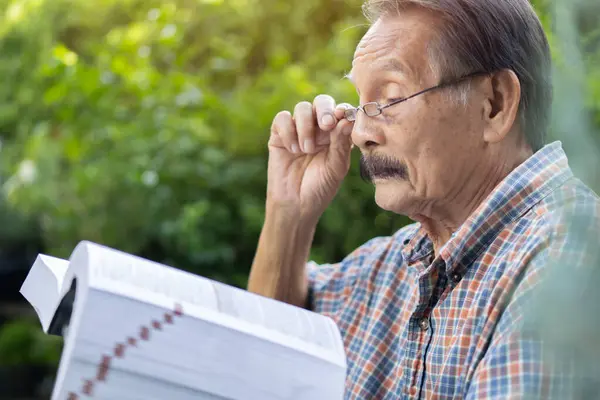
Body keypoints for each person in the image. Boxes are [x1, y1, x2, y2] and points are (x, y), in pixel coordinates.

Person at [248, 0, 600, 398]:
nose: (361, 133)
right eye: (360, 103)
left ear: (494, 105)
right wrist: (289, 212)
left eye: (390, 98)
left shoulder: (572, 255)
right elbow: (263, 359)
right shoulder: (391, 265)